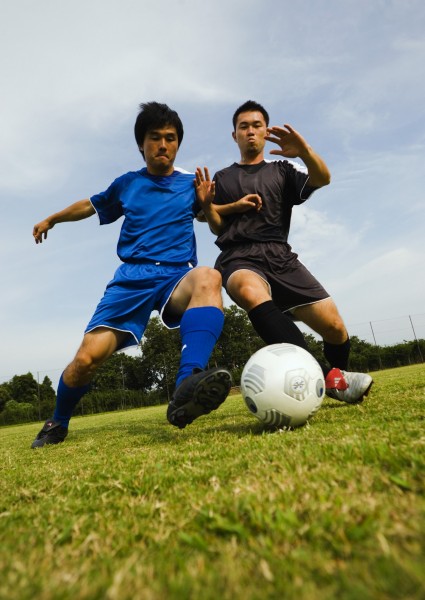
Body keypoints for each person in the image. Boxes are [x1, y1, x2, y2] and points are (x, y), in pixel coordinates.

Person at [31, 102, 232, 448]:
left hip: (175, 276)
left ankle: (187, 385)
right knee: (86, 360)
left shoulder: (192, 184)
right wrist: (52, 218)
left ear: (178, 144)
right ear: (142, 144)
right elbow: (90, 205)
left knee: (210, 277)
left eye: (170, 138)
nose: (163, 145)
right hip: (131, 279)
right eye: (155, 137)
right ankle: (57, 422)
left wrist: (207, 203)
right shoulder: (128, 184)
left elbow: (215, 224)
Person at [196, 100, 372, 404]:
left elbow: (323, 178)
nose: (250, 131)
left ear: (266, 132)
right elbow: (215, 226)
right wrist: (213, 205)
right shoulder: (222, 179)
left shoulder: (282, 169)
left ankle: (336, 380)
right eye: (243, 126)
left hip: (280, 255)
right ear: (234, 135)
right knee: (248, 290)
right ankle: (329, 378)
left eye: (256, 125)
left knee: (334, 328)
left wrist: (304, 151)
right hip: (238, 256)